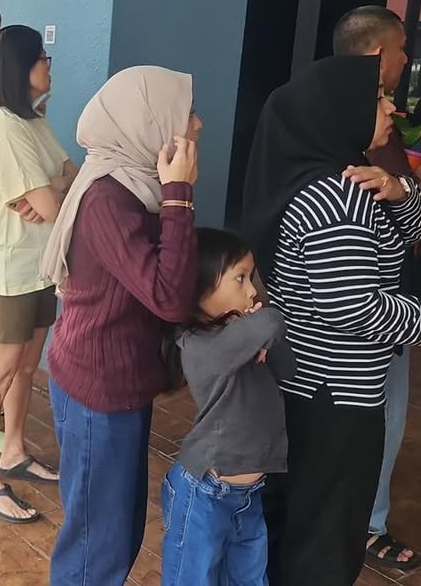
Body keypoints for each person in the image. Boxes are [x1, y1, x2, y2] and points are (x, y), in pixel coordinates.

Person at [240, 54, 421, 586]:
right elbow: (357, 310)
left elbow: (415, 233)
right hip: (337, 392)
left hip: (300, 379)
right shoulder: (339, 198)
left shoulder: (330, 176)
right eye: (378, 98)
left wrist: (401, 191)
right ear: (340, 109)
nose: (392, 108)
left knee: (295, 521)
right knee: (326, 537)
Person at [40, 66, 200, 582]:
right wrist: (179, 194)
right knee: (97, 544)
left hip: (115, 377)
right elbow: (168, 297)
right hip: (99, 386)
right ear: (149, 123)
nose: (196, 125)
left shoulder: (136, 186)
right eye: (186, 115)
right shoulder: (111, 198)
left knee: (118, 527)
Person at [333, 6, 421, 571]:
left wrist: (405, 190)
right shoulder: (349, 137)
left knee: (381, 419)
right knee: (369, 420)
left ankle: (362, 520)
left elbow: (415, 223)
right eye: (402, 47)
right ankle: (360, 524)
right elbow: (407, 237)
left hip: (384, 313)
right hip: (365, 320)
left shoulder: (374, 133)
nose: (406, 58)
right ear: (379, 54)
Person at [0, 24, 70, 523]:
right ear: (21, 66)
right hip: (11, 269)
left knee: (27, 367)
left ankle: (13, 450)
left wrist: (50, 190)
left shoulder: (33, 120)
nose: (49, 66)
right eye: (43, 58)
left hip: (40, 265)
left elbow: (72, 177)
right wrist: (50, 193)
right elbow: (52, 205)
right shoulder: (4, 126)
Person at [162, 229, 294, 586]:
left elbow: (287, 368)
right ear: (200, 288)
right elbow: (271, 319)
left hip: (248, 494)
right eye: (240, 278)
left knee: (249, 579)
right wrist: (260, 328)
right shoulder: (201, 346)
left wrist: (266, 339)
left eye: (252, 278)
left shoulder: (241, 338)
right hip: (205, 492)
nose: (252, 291)